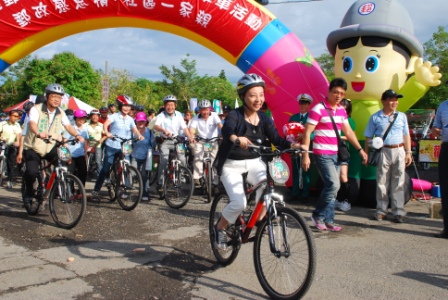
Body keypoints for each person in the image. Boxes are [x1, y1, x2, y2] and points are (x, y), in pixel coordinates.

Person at [213, 73, 302, 250]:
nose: (258, 99)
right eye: (253, 95)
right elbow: (227, 130)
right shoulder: (235, 116)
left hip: (254, 162)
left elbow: (276, 139)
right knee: (239, 203)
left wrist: (294, 145)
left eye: (261, 95)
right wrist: (236, 138)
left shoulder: (264, 119)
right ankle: (219, 228)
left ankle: (260, 223)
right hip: (231, 165)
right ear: (243, 96)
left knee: (267, 190)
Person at [301, 78, 367, 232]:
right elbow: (307, 132)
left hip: (336, 153)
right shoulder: (318, 109)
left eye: (342, 93)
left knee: (332, 188)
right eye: (336, 92)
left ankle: (329, 219)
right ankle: (317, 215)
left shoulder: (342, 110)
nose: (338, 96)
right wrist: (305, 154)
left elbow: (348, 132)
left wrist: (360, 149)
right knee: (333, 185)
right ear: (329, 91)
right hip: (321, 153)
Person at [20, 83, 85, 208]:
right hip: (34, 147)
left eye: (59, 97)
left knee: (62, 162)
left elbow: (68, 126)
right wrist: (38, 132)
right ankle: (28, 192)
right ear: (47, 96)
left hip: (50, 147)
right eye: (54, 96)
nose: (56, 99)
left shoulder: (60, 112)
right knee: (31, 172)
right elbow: (32, 123)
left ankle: (50, 190)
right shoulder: (36, 109)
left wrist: (77, 135)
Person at [364, 89, 412, 223]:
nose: (394, 102)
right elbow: (368, 135)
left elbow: (406, 135)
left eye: (396, 99)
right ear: (383, 101)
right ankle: (381, 210)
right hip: (383, 151)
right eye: (391, 99)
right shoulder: (375, 117)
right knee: (382, 181)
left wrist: (408, 152)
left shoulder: (402, 116)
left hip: (399, 149)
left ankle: (398, 211)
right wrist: (366, 153)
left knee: (399, 181)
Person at [91, 95, 144, 199]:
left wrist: (139, 135)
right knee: (106, 168)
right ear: (120, 106)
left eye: (129, 106)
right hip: (112, 145)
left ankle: (124, 188)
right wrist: (107, 132)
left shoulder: (130, 119)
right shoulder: (114, 116)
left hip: (125, 146)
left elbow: (134, 129)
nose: (127, 108)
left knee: (126, 166)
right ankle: (96, 189)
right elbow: (105, 125)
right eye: (124, 105)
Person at [153, 95, 196, 192]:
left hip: (177, 141)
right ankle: (160, 182)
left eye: (172, 105)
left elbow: (184, 128)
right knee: (163, 161)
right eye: (168, 105)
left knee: (182, 159)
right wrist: (164, 130)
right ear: (164, 106)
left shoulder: (179, 115)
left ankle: (181, 176)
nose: (170, 107)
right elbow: (156, 126)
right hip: (166, 141)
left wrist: (190, 137)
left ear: (175, 105)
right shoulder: (161, 115)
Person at [189, 99, 223, 188]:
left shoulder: (214, 115)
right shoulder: (196, 117)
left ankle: (215, 182)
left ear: (210, 109)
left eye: (207, 109)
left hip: (213, 141)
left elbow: (220, 126)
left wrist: (225, 134)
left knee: (214, 162)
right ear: (199, 110)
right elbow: (191, 129)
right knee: (198, 157)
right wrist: (192, 137)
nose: (205, 112)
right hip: (201, 141)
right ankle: (197, 178)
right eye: (203, 110)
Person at [288, 93, 313, 201]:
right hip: (296, 147)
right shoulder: (293, 117)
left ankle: (305, 195)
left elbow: (315, 133)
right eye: (301, 103)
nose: (303, 105)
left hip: (308, 147)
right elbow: (288, 132)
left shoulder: (312, 117)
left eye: (305, 103)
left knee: (306, 171)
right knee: (295, 170)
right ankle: (295, 193)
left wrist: (306, 136)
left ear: (309, 105)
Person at [432, 97, 448, 239]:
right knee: (445, 188)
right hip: (446, 147)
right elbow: (436, 126)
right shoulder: (442, 106)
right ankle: (446, 228)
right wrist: (436, 129)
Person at [335, 98, 355, 211]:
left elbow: (351, 136)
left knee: (343, 176)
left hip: (342, 150)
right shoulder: (334, 118)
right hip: (331, 149)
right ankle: (336, 199)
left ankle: (346, 200)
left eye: (344, 106)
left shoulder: (350, 121)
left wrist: (338, 137)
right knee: (334, 178)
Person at [64, 109, 89, 186]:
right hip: (71, 155)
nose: (81, 120)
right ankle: (70, 192)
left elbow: (86, 141)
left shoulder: (85, 129)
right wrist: (67, 156)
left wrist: (86, 152)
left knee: (83, 172)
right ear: (75, 118)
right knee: (70, 174)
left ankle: (80, 192)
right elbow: (65, 141)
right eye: (79, 118)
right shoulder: (71, 128)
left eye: (83, 118)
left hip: (80, 155)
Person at [132, 112, 154, 201]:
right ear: (136, 121)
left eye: (143, 121)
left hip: (146, 156)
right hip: (134, 155)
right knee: (132, 173)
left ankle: (145, 193)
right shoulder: (132, 131)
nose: (141, 123)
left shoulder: (149, 131)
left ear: (145, 122)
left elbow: (153, 143)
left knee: (145, 175)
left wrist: (155, 141)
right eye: (139, 121)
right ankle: (126, 191)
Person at [0, 110, 22, 188]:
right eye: (14, 116)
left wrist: (18, 142)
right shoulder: (2, 124)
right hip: (2, 143)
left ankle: (9, 180)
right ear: (9, 116)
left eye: (17, 116)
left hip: (11, 145)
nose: (15, 118)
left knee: (11, 163)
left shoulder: (17, 125)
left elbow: (19, 135)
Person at [86, 109, 106, 177]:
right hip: (87, 146)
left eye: (96, 116)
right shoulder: (85, 125)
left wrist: (102, 139)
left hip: (97, 146)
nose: (95, 117)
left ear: (98, 116)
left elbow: (106, 134)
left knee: (98, 162)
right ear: (90, 116)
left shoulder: (101, 125)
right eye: (93, 115)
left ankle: (101, 177)